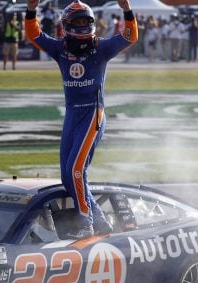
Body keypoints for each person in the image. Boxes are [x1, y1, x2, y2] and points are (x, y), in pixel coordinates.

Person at [25, 0, 137, 237]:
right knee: (67, 176)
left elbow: (130, 36)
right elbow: (33, 33)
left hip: (93, 113)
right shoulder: (59, 49)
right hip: (72, 114)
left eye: (86, 21)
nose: (82, 25)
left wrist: (127, 9)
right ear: (66, 25)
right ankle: (100, 219)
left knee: (76, 170)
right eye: (77, 21)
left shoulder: (102, 48)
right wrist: (31, 9)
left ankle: (86, 223)